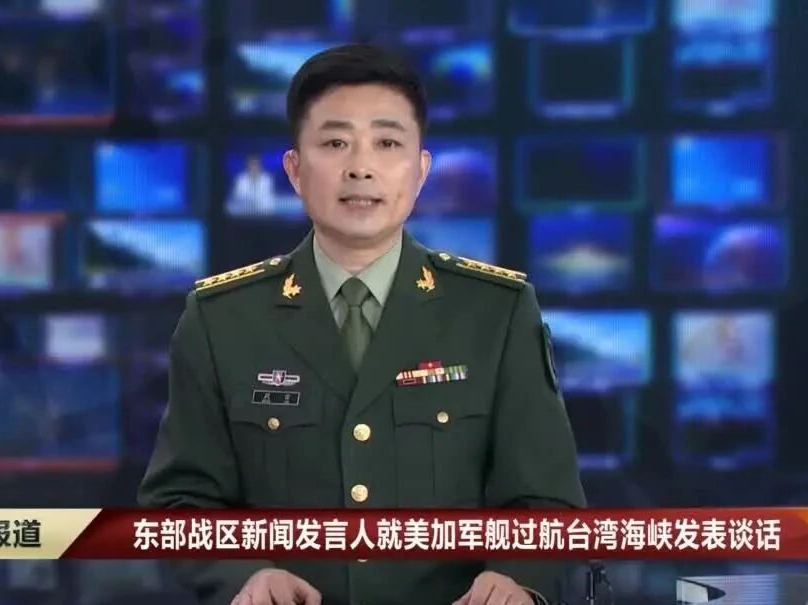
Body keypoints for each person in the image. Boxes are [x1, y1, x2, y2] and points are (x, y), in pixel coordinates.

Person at [139, 43, 586, 605]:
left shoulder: (496, 311)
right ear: (295, 171)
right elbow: (179, 504)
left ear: (421, 171)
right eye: (335, 143)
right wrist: (244, 577)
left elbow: (548, 502)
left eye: (388, 143)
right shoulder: (221, 319)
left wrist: (518, 580)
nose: (360, 166)